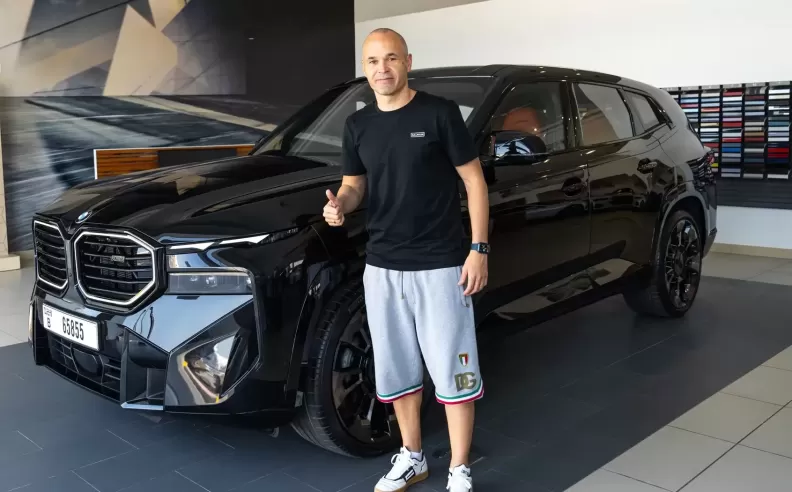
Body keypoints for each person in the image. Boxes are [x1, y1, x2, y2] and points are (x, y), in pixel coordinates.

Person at [322, 28, 490, 492]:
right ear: (365, 68)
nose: (383, 69)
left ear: (408, 62)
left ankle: (459, 468)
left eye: (391, 58)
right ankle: (412, 457)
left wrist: (478, 249)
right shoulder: (358, 125)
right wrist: (340, 206)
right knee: (397, 370)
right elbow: (354, 186)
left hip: (440, 266)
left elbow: (474, 182)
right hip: (382, 267)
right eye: (373, 61)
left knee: (454, 371)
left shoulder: (439, 113)